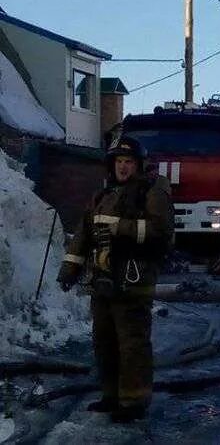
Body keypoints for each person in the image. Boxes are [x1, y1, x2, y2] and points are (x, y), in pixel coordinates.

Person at [56, 136, 174, 423]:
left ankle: (133, 401)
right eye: (119, 162)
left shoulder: (152, 193)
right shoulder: (102, 196)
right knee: (104, 340)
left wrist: (120, 226)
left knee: (132, 343)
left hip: (134, 279)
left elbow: (161, 231)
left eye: (128, 162)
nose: (123, 168)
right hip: (104, 280)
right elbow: (84, 235)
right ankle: (111, 395)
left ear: (139, 165)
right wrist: (69, 270)